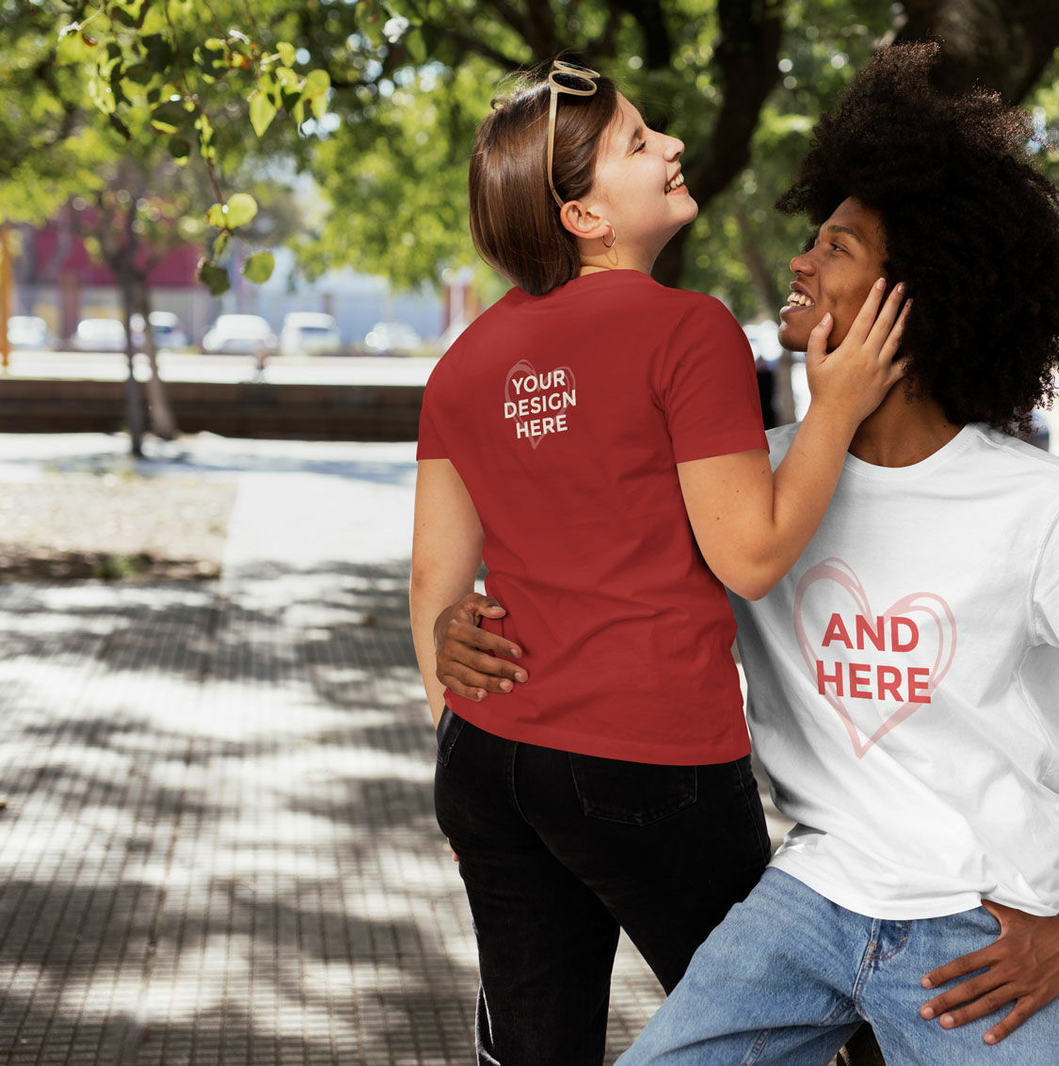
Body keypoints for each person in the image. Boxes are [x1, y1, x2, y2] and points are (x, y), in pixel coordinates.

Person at [434, 43, 1059, 1065]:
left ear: (912, 295)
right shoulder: (750, 484)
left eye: (833, 246)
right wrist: (460, 626)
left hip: (978, 929)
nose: (798, 261)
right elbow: (596, 542)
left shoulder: (1039, 502)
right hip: (810, 901)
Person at [409, 58, 907, 1066]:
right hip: (647, 766)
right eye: (639, 143)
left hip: (488, 766)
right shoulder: (690, 330)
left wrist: (467, 762)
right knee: (795, 1025)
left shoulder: (461, 362)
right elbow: (753, 552)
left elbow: (433, 590)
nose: (673, 145)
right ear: (583, 214)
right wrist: (838, 406)